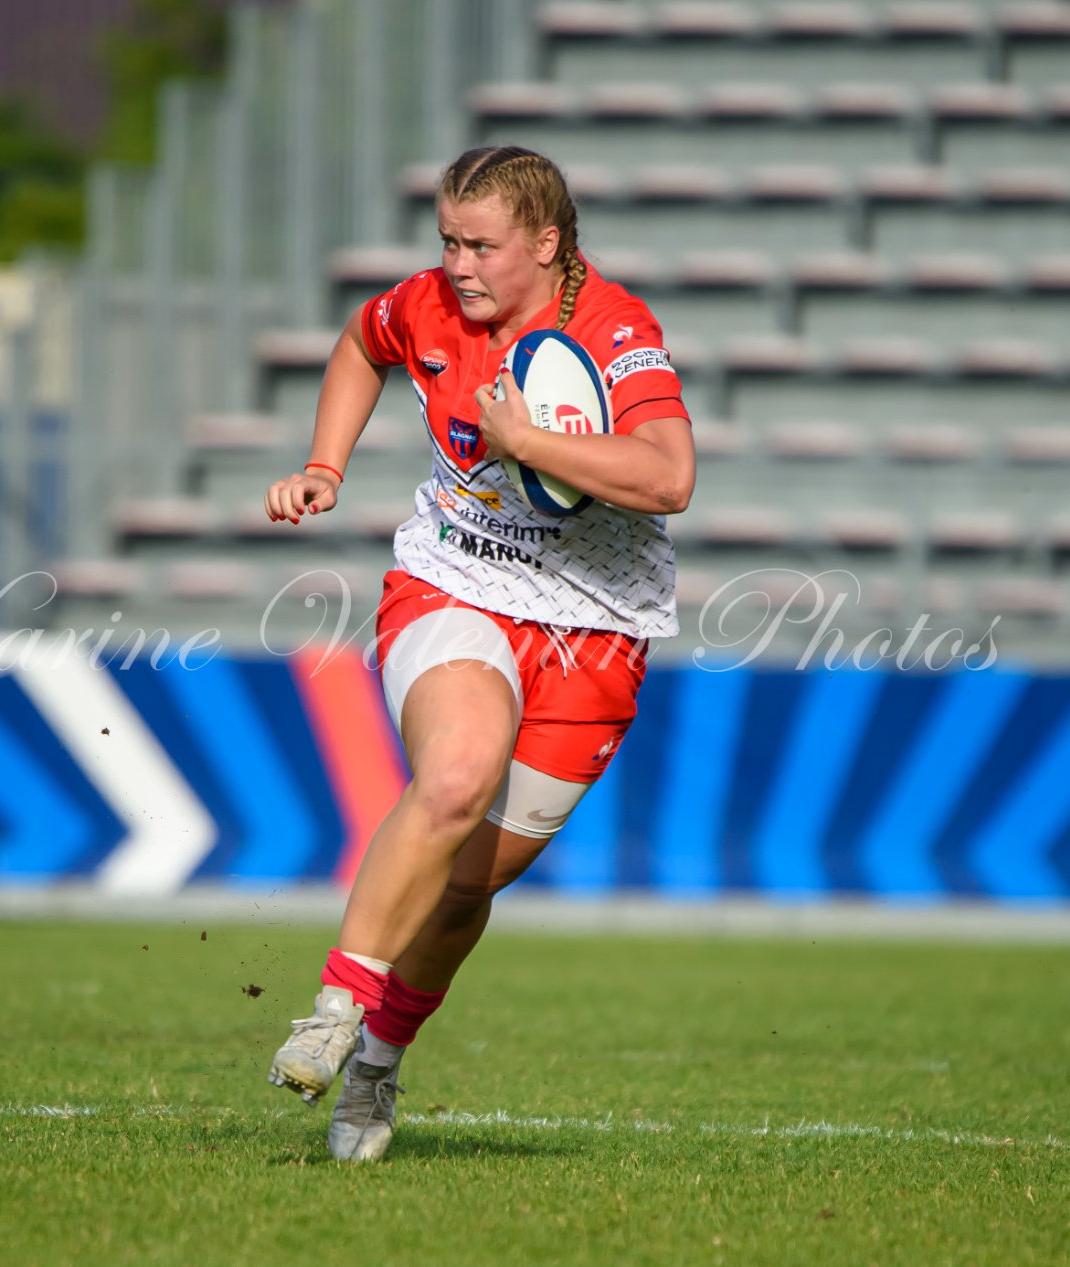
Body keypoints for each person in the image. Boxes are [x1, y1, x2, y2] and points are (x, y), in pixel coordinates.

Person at [261, 146, 695, 1161]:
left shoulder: (611, 329)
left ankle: (375, 1059)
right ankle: (335, 1002)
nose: (455, 264)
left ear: (545, 244)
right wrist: (325, 464)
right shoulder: (425, 306)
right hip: (453, 579)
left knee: (463, 889)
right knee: (454, 775)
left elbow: (668, 475)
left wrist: (527, 441)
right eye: (446, 239)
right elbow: (360, 342)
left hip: (596, 624)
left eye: (480, 244)